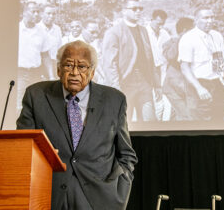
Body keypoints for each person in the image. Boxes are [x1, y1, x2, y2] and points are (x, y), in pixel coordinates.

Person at [17, 40, 138, 210]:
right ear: (58, 69)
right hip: (49, 195)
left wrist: (121, 186)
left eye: (82, 67)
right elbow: (24, 149)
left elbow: (126, 154)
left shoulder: (114, 100)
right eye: (68, 65)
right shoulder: (36, 96)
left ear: (92, 72)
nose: (74, 72)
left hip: (100, 198)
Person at [103, 0, 159, 122]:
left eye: (140, 8)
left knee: (150, 121)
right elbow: (109, 64)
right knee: (124, 124)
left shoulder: (143, 30)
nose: (138, 11)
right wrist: (116, 88)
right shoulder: (114, 32)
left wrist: (156, 84)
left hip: (145, 82)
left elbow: (150, 58)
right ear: (124, 11)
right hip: (125, 84)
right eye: (134, 8)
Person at [178, 8, 224, 120]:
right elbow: (184, 67)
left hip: (216, 82)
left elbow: (220, 61)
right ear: (196, 20)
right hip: (198, 83)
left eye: (212, 17)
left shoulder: (217, 35)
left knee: (219, 117)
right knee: (202, 120)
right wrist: (199, 88)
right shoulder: (188, 38)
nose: (210, 21)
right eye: (206, 18)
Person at [162, 17, 194, 120]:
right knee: (186, 116)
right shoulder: (170, 43)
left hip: (189, 88)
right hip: (174, 88)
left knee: (178, 116)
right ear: (184, 30)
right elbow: (171, 56)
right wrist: (182, 38)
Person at [17, 1, 46, 110]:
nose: (36, 14)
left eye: (38, 12)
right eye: (33, 11)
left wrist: (51, 76)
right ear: (24, 12)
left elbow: (45, 54)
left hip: (36, 73)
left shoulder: (41, 31)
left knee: (36, 106)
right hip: (20, 73)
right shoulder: (16, 29)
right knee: (19, 106)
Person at [145, 10, 171, 121]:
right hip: (148, 72)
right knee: (154, 102)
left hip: (163, 70)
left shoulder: (165, 34)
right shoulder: (144, 33)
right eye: (158, 23)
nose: (160, 26)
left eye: (162, 24)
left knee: (165, 102)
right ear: (152, 20)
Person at [37, 4, 63, 80]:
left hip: (54, 65)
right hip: (39, 66)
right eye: (48, 13)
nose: (51, 16)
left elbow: (59, 50)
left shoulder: (57, 29)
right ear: (42, 14)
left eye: (53, 14)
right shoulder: (37, 28)